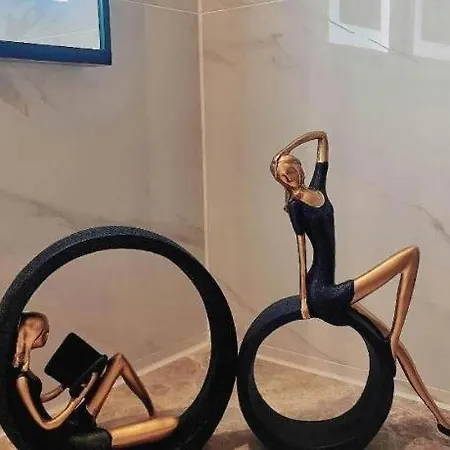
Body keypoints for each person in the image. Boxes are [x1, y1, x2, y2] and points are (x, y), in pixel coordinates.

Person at [270, 130, 450, 437]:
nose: (290, 177)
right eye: (283, 176)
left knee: (399, 349)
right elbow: (301, 253)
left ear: (299, 166)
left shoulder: (318, 187)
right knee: (410, 256)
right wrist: (304, 300)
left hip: (330, 287)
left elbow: (322, 137)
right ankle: (394, 336)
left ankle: (441, 419)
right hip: (322, 292)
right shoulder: (296, 207)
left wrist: (283, 150)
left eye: (292, 168)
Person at [11, 312, 179, 448]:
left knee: (118, 360)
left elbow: (38, 399)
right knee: (171, 423)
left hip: (68, 427)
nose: (47, 336)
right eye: (44, 333)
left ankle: (152, 410)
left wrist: (63, 386)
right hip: (65, 442)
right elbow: (46, 425)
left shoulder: (23, 373)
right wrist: (75, 401)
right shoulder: (21, 380)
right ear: (32, 335)